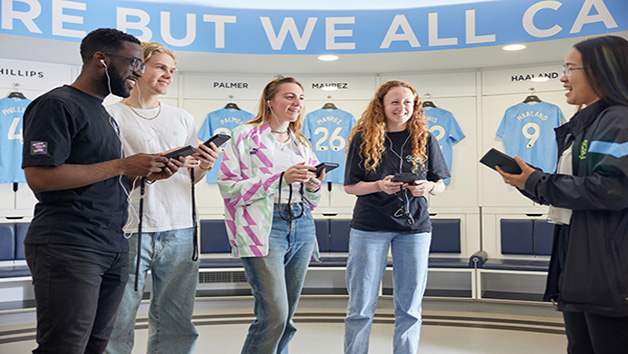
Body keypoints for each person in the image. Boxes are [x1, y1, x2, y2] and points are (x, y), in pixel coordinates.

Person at [21, 28, 174, 353]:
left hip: (111, 244)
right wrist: (122, 166)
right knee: (65, 346)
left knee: (97, 345)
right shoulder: (55, 105)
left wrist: (142, 175)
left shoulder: (103, 114)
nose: (139, 70)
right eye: (133, 62)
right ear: (101, 59)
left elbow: (103, 180)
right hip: (69, 245)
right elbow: (40, 178)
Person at [496, 35, 628, 354]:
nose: (562, 77)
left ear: (601, 70)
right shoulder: (585, 124)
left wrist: (538, 183)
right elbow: (578, 190)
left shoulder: (619, 121)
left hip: (608, 269)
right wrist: (529, 182)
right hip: (581, 257)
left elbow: (613, 189)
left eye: (570, 68)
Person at [104, 42, 220, 354]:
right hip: (130, 230)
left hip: (181, 229)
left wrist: (205, 164)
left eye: (171, 70)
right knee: (117, 318)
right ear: (138, 68)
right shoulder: (110, 115)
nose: (168, 75)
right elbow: (107, 175)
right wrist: (151, 164)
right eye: (160, 67)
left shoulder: (182, 118)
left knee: (177, 320)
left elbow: (190, 177)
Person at [217, 76, 325, 354]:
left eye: (300, 97)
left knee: (286, 317)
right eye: (289, 96)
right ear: (269, 101)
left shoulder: (301, 143)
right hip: (262, 226)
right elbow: (228, 188)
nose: (297, 102)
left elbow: (312, 200)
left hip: (301, 224)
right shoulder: (242, 135)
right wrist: (280, 179)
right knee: (274, 314)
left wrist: (313, 185)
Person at [343, 80, 449, 354]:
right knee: (360, 306)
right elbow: (350, 186)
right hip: (369, 228)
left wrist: (429, 187)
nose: (401, 108)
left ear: (415, 107)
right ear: (381, 104)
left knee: (410, 307)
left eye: (407, 102)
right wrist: (379, 185)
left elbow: (441, 185)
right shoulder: (363, 138)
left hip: (414, 230)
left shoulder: (425, 139)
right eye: (394, 101)